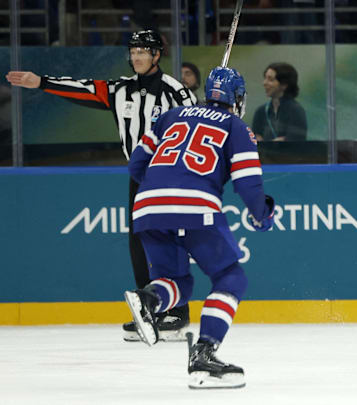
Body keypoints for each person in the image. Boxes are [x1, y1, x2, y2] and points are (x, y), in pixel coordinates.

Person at [5, 30, 197, 341]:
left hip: (170, 175)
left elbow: (198, 123)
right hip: (139, 176)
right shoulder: (120, 89)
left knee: (168, 239)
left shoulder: (175, 90)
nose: (135, 56)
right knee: (138, 241)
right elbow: (83, 89)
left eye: (142, 51)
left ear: (157, 55)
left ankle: (176, 312)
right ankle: (148, 310)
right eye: (133, 51)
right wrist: (40, 82)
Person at [124, 66, 275, 389]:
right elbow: (249, 184)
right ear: (237, 98)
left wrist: (163, 188)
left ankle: (149, 299)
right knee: (230, 277)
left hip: (147, 203)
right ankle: (204, 353)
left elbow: (136, 163)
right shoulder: (238, 127)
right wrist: (262, 215)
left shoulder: (170, 116)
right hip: (195, 203)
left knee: (177, 281)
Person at [251, 62, 307, 141]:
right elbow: (256, 137)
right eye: (265, 78)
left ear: (284, 85)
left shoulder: (296, 111)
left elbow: (295, 141)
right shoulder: (261, 111)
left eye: (270, 79)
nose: (264, 83)